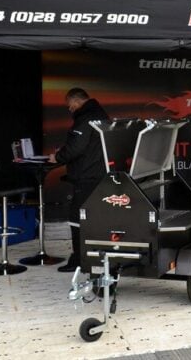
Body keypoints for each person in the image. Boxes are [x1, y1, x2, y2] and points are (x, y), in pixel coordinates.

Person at [49, 88, 109, 272]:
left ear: (76, 101)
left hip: (86, 177)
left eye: (70, 105)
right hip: (100, 174)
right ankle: (96, 257)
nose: (70, 109)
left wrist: (57, 157)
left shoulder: (85, 118)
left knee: (77, 219)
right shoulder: (101, 114)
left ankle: (78, 261)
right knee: (96, 219)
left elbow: (76, 147)